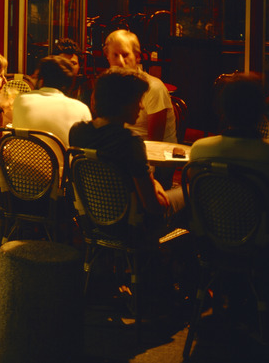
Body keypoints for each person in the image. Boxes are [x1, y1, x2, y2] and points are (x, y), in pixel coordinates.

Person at [69, 68, 185, 230]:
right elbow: (153, 206)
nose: (142, 107)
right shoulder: (130, 142)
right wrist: (155, 186)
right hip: (132, 227)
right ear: (122, 104)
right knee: (190, 192)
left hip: (92, 221)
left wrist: (153, 183)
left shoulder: (77, 131)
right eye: (137, 100)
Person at [190, 73, 269, 238]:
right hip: (266, 246)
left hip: (213, 241)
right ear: (261, 111)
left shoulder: (199, 150)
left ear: (223, 110)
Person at [104, 29, 176, 143]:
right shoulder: (108, 86)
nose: (120, 61)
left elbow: (155, 142)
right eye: (115, 55)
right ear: (108, 57)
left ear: (137, 57)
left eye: (125, 55)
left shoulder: (153, 88)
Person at [12, 55, 91, 147]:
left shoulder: (21, 99)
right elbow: (86, 143)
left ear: (41, 80)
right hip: (62, 157)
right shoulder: (81, 108)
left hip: (20, 156)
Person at [54, 37, 92, 107]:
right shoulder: (50, 86)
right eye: (64, 63)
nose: (69, 67)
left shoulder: (86, 88)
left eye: (73, 63)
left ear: (79, 65)